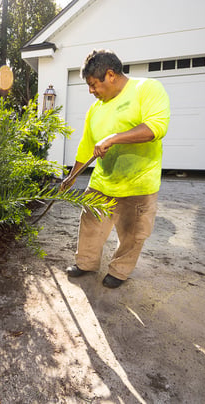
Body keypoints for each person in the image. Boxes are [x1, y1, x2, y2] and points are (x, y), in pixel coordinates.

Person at [62, 49, 170, 288]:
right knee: (90, 224)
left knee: (133, 234)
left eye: (93, 84)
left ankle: (120, 271)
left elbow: (156, 127)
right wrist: (71, 177)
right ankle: (86, 263)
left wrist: (113, 138)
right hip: (102, 182)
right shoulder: (96, 109)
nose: (91, 91)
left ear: (110, 75)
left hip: (138, 183)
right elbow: (87, 146)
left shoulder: (147, 89)